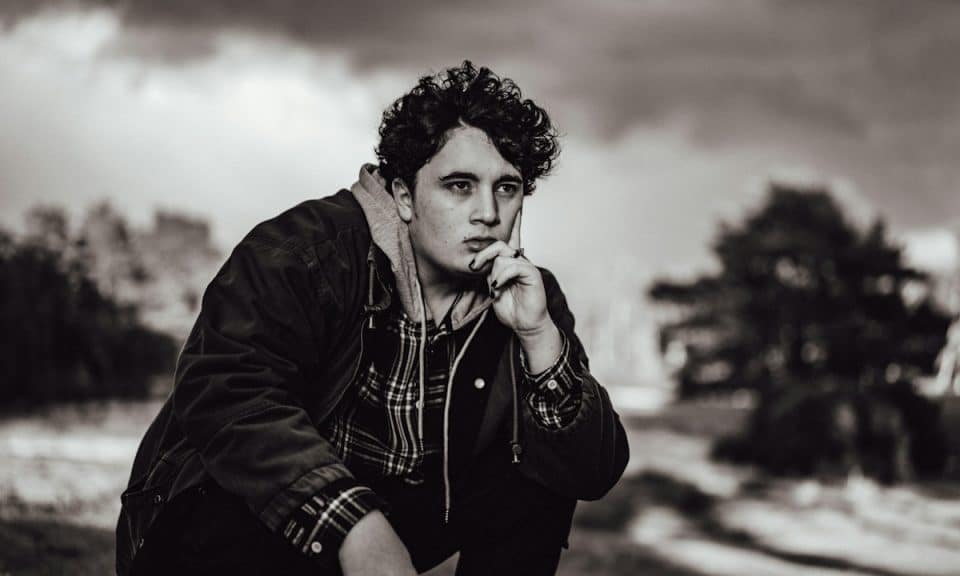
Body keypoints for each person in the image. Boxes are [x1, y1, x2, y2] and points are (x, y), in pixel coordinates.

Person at [116, 61, 629, 576]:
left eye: (507, 188)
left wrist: (540, 339)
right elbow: (228, 390)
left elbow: (589, 473)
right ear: (404, 197)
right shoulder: (308, 250)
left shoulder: (529, 296)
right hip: (238, 524)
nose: (487, 213)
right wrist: (351, 522)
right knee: (235, 495)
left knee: (538, 468)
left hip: (396, 519)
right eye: (459, 185)